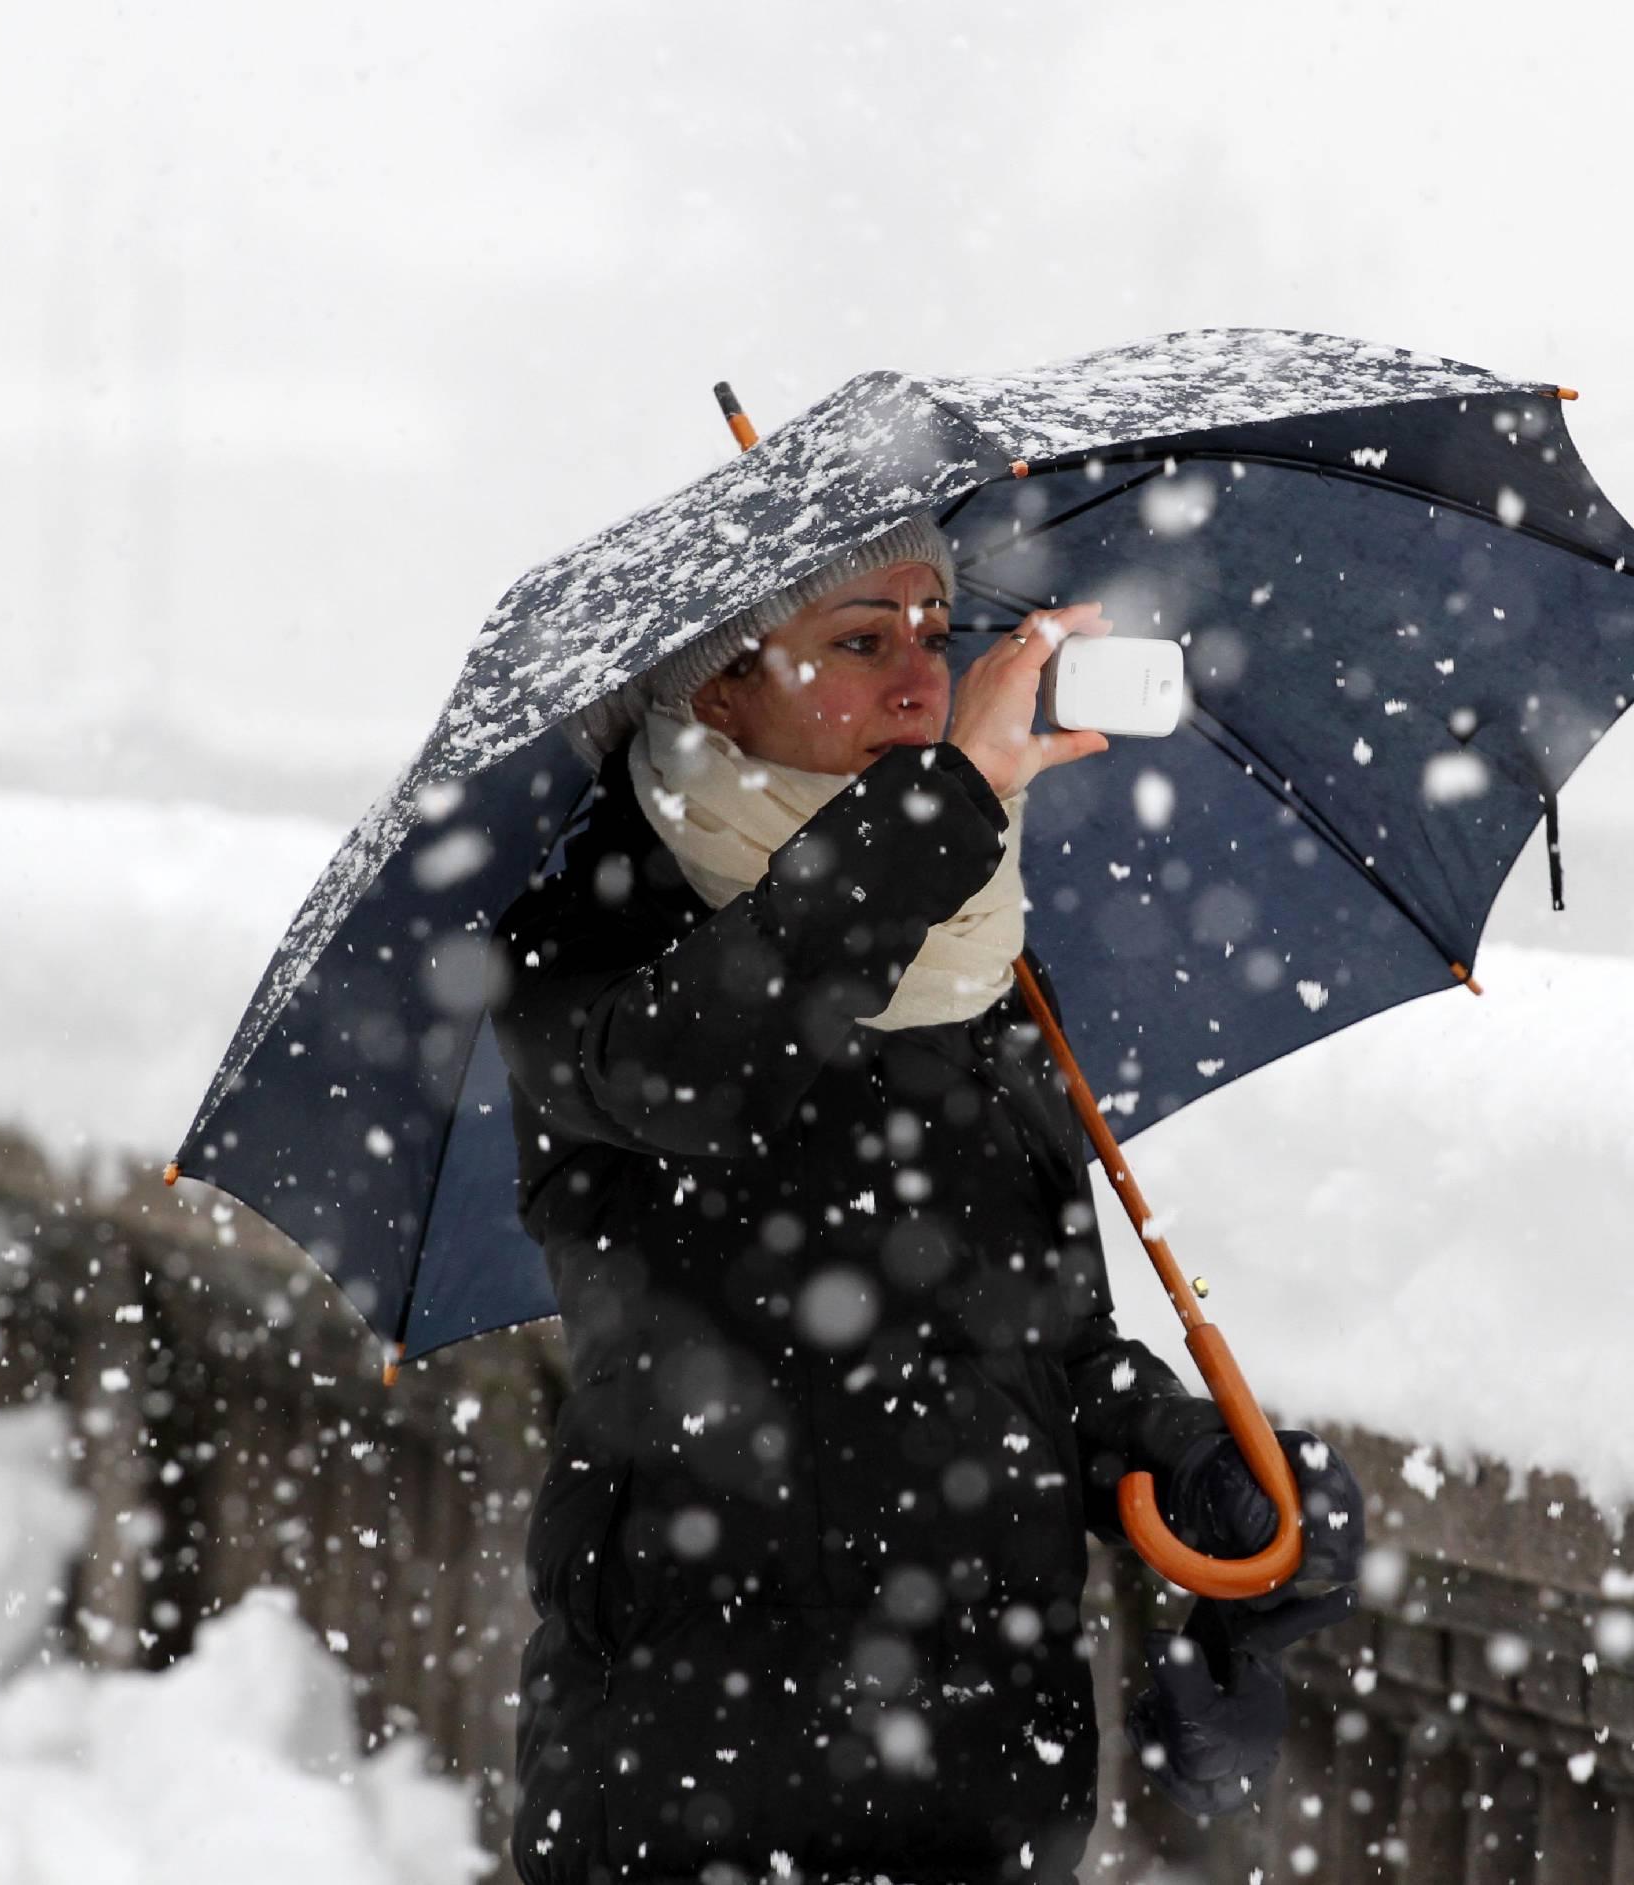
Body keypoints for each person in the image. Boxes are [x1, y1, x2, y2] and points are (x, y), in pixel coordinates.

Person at [487, 514, 1364, 1885]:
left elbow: (1037, 1358)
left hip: (982, 1802)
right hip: (692, 1795)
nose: (921, 680)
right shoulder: (590, 943)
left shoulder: (979, 970)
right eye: (859, 640)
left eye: (935, 636)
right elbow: (712, 1073)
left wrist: (1192, 1462)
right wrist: (948, 799)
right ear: (720, 686)